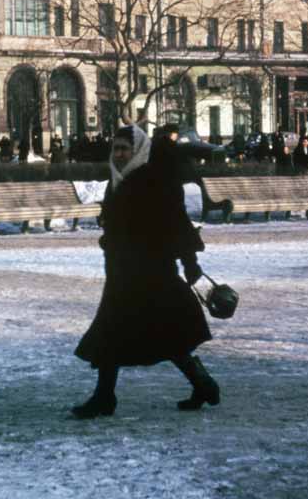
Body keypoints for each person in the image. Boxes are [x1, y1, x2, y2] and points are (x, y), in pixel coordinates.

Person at [71, 125, 219, 419]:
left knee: (158, 332)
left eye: (125, 148)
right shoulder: (118, 179)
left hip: (152, 270)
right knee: (120, 331)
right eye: (116, 148)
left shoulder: (152, 180)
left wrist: (190, 263)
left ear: (138, 150)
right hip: (122, 270)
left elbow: (175, 222)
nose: (119, 154)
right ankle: (106, 396)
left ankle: (200, 384)